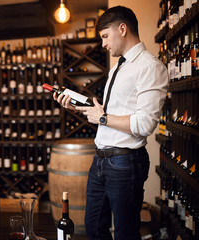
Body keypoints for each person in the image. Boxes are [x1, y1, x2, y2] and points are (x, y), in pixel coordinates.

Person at [53, 6, 169, 240]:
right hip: (100, 161)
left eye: (105, 36)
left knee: (125, 233)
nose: (103, 44)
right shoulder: (118, 68)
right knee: (94, 227)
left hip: (126, 162)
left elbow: (145, 124)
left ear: (122, 29)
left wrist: (103, 118)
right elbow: (109, 114)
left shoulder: (150, 67)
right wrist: (76, 107)